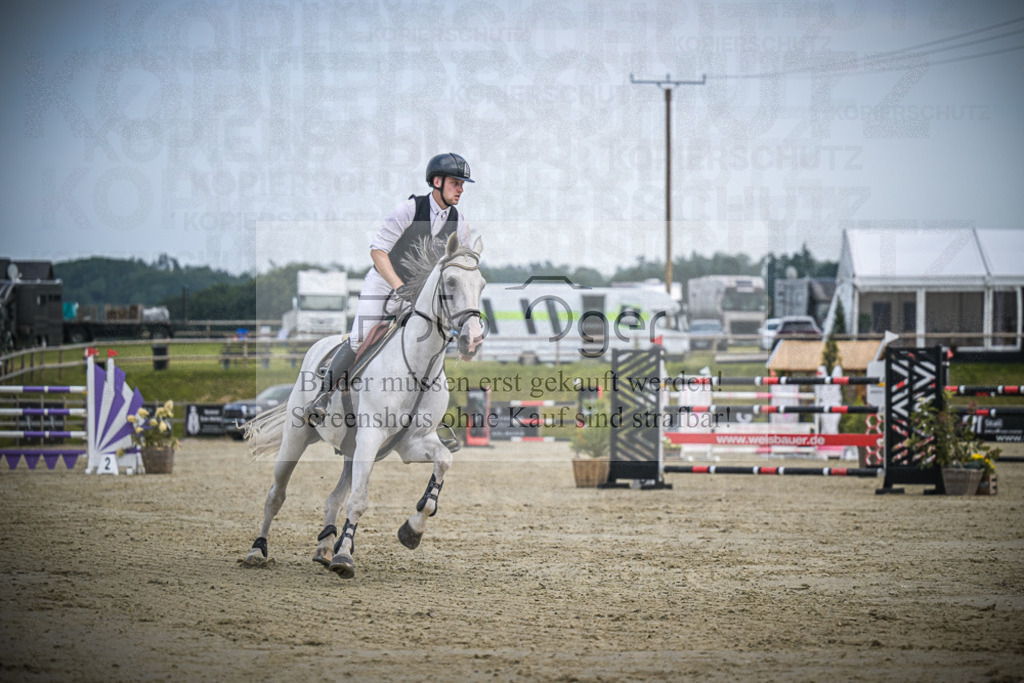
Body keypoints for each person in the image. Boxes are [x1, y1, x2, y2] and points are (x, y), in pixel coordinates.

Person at [303, 153, 475, 425]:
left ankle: (429, 417)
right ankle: (323, 396)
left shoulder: (460, 224)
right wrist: (399, 287)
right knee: (361, 335)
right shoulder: (408, 209)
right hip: (384, 281)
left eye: (462, 184)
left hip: (421, 291)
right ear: (437, 181)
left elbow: (460, 267)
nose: (461, 189)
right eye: (456, 183)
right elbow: (378, 251)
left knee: (431, 340)